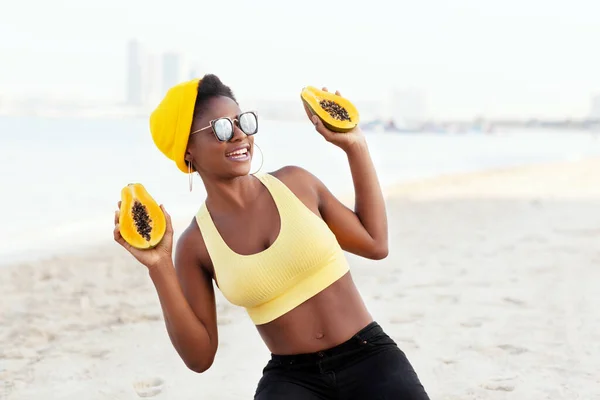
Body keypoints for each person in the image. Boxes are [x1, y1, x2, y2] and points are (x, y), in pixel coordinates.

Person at [113, 74, 430, 399]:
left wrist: (355, 145)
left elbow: (375, 243)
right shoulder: (195, 245)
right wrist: (158, 265)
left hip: (369, 357)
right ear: (188, 150)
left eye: (243, 123)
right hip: (293, 379)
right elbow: (199, 358)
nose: (239, 136)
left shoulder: (297, 184)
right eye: (221, 128)